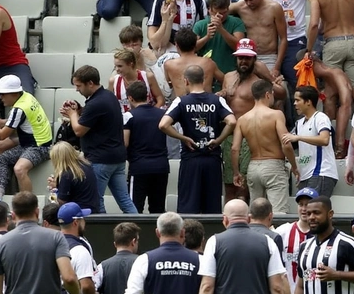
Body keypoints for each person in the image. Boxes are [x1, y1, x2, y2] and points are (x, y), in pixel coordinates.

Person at [60, 65, 138, 214]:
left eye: (79, 86)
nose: (77, 89)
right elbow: (96, 118)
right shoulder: (108, 96)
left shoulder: (96, 103)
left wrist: (72, 114)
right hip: (118, 158)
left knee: (96, 200)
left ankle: (101, 233)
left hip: (100, 160)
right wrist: (79, 109)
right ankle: (140, 231)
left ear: (90, 83)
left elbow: (78, 130)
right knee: (125, 200)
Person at [160, 65, 237, 214]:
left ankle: (189, 236)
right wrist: (219, 140)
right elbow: (232, 121)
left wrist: (183, 138)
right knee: (212, 207)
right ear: (204, 79)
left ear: (186, 81)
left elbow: (163, 125)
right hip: (212, 159)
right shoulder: (216, 100)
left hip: (191, 159)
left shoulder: (181, 101)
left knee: (188, 207)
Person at [223, 39, 286, 203]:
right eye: (240, 57)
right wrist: (222, 93)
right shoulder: (228, 77)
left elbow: (282, 94)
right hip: (229, 135)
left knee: (244, 187)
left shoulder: (258, 82)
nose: (243, 61)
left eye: (248, 58)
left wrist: (267, 76)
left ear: (254, 60)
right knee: (229, 185)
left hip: (249, 136)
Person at [0, 75, 52, 201]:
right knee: (1, 155)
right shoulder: (26, 96)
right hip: (32, 140)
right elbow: (24, 120)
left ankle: (28, 204)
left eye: (3, 94)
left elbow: (2, 135)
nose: (0, 97)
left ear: (13, 93)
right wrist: (6, 122)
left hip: (39, 146)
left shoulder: (19, 109)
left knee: (19, 169)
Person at [232, 80, 299, 214]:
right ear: (268, 94)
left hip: (253, 167)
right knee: (279, 213)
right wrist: (295, 167)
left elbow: (235, 149)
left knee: (256, 214)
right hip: (273, 165)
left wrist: (236, 173)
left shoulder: (242, 119)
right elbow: (286, 144)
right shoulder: (275, 115)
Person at [282, 86, 338, 197]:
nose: (294, 104)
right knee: (305, 211)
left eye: (298, 100)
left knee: (313, 209)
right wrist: (294, 167)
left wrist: (299, 137)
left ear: (308, 102)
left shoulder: (320, 117)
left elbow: (324, 139)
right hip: (305, 175)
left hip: (321, 173)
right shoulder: (299, 123)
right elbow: (287, 142)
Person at [123, 81, 169, 214]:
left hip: (139, 167)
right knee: (158, 209)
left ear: (130, 98)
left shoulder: (129, 116)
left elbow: (125, 143)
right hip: (161, 167)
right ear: (148, 95)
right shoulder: (162, 115)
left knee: (134, 209)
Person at [299, 52, 354, 158]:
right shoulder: (325, 80)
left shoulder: (336, 74)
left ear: (313, 64)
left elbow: (346, 104)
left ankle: (339, 146)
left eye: (307, 71)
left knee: (341, 103)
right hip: (327, 129)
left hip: (342, 123)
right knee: (327, 101)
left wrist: (340, 144)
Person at [229, 0, 287, 77]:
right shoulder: (239, 7)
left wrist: (277, 67)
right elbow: (220, 12)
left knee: (269, 88)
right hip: (247, 56)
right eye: (246, 0)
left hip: (269, 57)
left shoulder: (274, 8)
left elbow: (283, 39)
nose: (249, 3)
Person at [193, 0, 246, 77]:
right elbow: (192, 49)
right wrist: (207, 37)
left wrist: (221, 29)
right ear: (209, 9)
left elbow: (239, 47)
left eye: (223, 13)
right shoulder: (200, 25)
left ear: (228, 9)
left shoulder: (236, 22)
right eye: (216, 13)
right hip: (206, 74)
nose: (219, 16)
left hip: (230, 72)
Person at [163, 28, 224, 99]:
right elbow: (224, 79)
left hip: (183, 106)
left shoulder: (169, 64)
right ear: (195, 44)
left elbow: (169, 84)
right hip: (206, 105)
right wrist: (223, 91)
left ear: (176, 45)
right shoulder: (208, 62)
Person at [48, 141, 101, 213]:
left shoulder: (66, 174)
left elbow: (62, 201)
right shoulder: (87, 166)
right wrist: (58, 184)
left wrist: (55, 191)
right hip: (94, 210)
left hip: (77, 213)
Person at [109, 48, 165, 114]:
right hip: (125, 119)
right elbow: (110, 104)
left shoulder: (147, 77)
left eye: (120, 66)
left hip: (147, 115)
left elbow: (160, 98)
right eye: (115, 66)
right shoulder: (113, 81)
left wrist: (152, 113)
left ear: (130, 64)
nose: (117, 69)